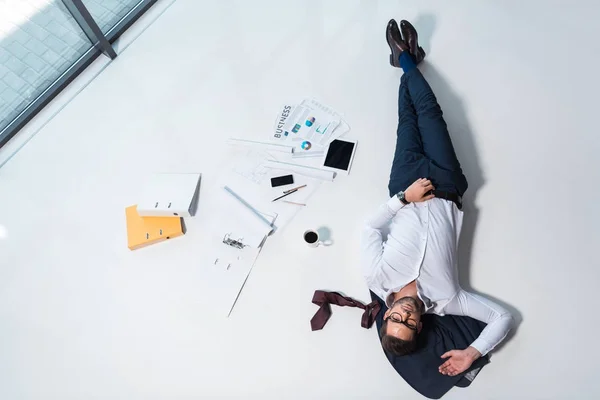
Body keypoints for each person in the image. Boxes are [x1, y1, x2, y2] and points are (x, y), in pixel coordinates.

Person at [361, 19, 514, 377]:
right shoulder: (448, 299)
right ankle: (406, 59)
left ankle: (405, 60)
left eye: (396, 319)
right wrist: (472, 353)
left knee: (407, 121)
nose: (406, 315)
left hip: (406, 184)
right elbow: (502, 318)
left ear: (387, 314)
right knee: (430, 113)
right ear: (419, 327)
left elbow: (369, 229)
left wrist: (403, 198)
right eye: (410, 324)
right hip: (446, 185)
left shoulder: (377, 278)